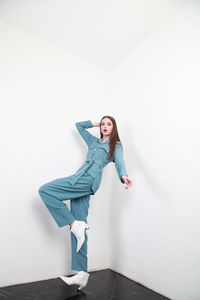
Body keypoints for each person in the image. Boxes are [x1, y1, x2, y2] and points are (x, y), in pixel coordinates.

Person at [38, 116, 133, 290]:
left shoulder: (116, 146)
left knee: (45, 190)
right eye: (103, 124)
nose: (105, 126)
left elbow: (120, 163)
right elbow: (79, 126)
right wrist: (96, 122)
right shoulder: (93, 141)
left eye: (109, 124)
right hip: (79, 179)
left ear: (114, 127)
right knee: (80, 224)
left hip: (87, 182)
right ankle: (82, 273)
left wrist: (124, 176)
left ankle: (73, 224)